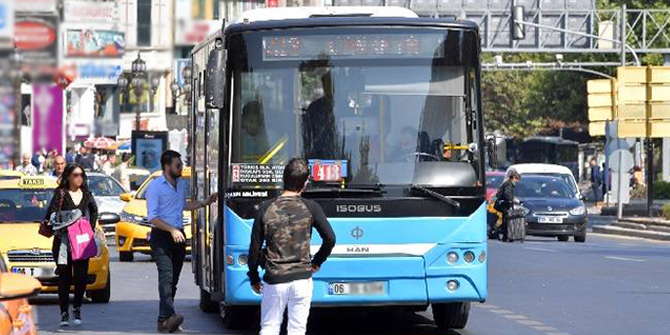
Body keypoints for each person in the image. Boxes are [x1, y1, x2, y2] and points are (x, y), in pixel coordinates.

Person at [248, 158, 336, 335]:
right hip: (302, 278)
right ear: (304, 184)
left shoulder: (266, 208)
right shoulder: (311, 207)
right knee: (297, 329)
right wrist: (316, 262)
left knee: (269, 327)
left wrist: (254, 278)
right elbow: (330, 238)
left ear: (283, 179)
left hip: (275, 279)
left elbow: (255, 249)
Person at [146, 150, 218, 333]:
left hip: (179, 236)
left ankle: (164, 320)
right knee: (166, 276)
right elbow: (152, 217)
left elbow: (183, 205)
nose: (181, 168)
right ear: (167, 166)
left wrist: (205, 202)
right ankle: (170, 316)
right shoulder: (155, 187)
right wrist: (171, 230)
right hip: (161, 237)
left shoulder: (179, 184)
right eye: (178, 165)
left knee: (173, 281)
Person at [44, 164, 98, 327]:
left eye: (81, 174)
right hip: (63, 241)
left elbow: (94, 211)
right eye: (75, 175)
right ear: (68, 177)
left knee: (81, 278)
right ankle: (64, 312)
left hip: (81, 241)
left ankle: (77, 307)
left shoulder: (87, 194)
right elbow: (50, 215)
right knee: (64, 278)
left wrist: (91, 229)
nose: (79, 178)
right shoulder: (60, 194)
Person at [494, 168, 520, 242]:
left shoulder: (507, 183)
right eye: (516, 179)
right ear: (513, 178)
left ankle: (505, 236)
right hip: (505, 205)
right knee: (507, 220)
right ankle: (500, 232)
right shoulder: (508, 184)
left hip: (504, 204)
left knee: (506, 220)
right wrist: (513, 200)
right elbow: (507, 194)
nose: (517, 181)